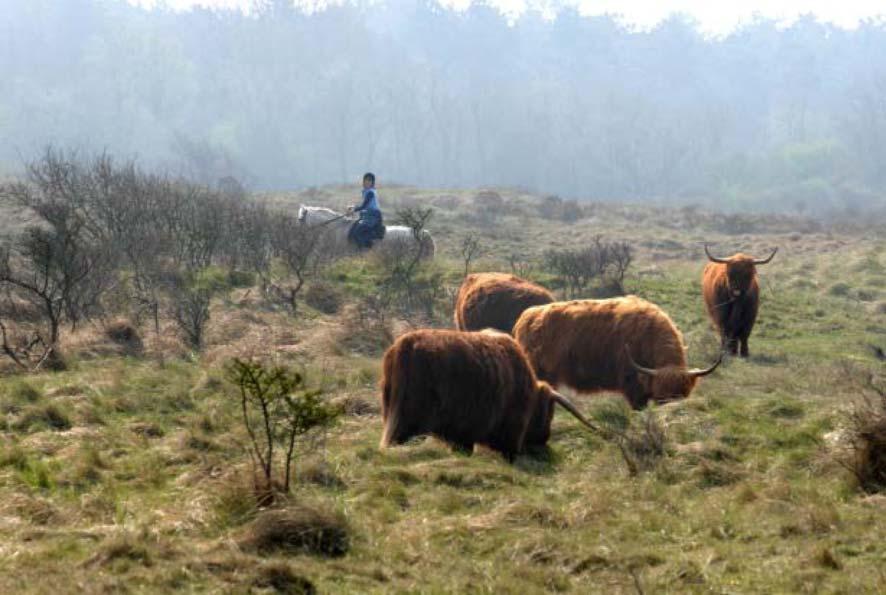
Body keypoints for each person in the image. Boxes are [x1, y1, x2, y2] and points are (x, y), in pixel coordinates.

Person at [347, 172, 384, 249]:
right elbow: (363, 206)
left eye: (369, 181)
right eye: (365, 180)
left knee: (358, 232)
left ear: (372, 183)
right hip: (366, 215)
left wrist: (354, 209)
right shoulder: (365, 191)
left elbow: (364, 206)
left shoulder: (371, 192)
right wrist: (353, 207)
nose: (367, 182)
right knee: (352, 230)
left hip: (373, 215)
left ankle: (365, 249)